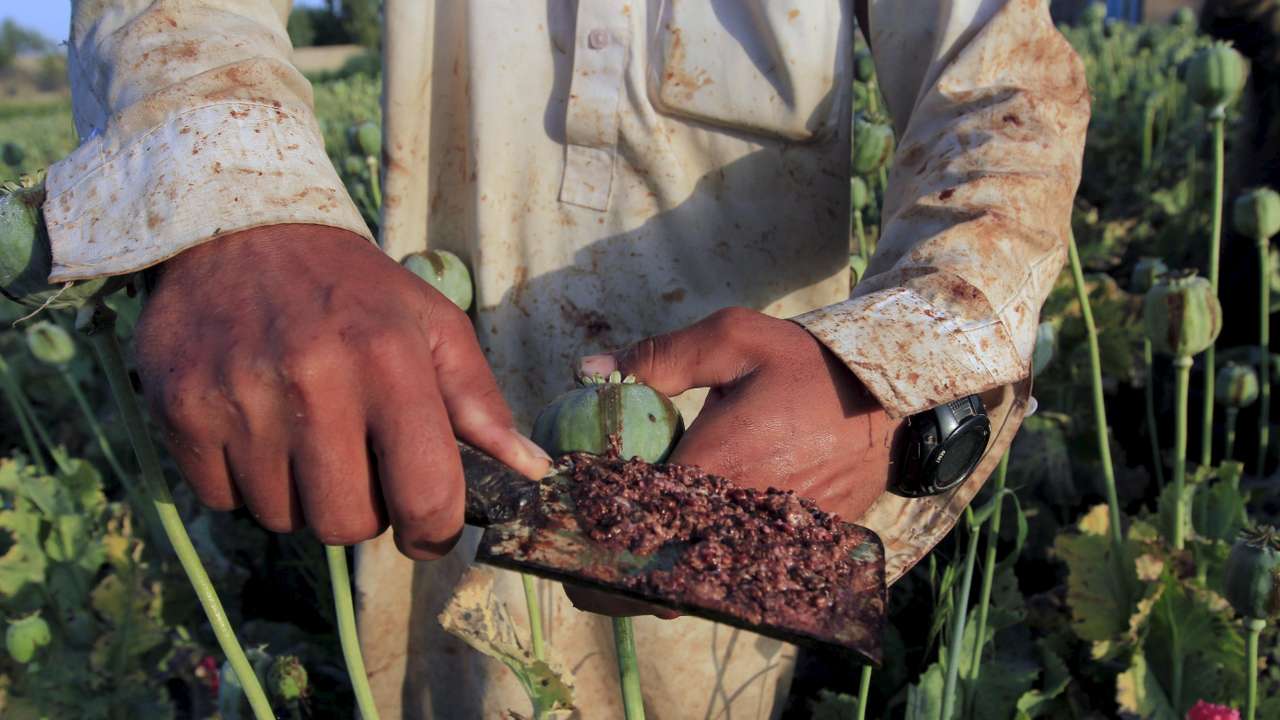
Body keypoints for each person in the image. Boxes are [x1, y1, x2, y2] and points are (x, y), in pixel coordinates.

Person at [44, 0, 1088, 716]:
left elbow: (1001, 92)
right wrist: (236, 203)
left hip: (749, 453)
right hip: (419, 430)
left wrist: (889, 370)